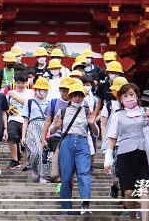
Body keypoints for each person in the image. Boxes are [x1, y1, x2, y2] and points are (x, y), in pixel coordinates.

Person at [104, 82, 149, 221]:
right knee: (128, 192)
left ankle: (145, 219)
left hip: (143, 154)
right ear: (121, 99)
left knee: (144, 189)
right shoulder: (117, 115)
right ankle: (133, 217)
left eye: (131, 94)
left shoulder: (146, 111)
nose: (129, 98)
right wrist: (108, 158)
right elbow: (112, 138)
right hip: (125, 155)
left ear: (137, 96)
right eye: (125, 96)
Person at [50, 81, 99, 215]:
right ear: (70, 96)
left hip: (83, 142)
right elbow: (52, 131)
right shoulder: (63, 111)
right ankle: (66, 208)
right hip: (67, 143)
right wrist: (56, 125)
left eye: (80, 96)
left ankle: (85, 204)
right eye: (75, 95)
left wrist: (92, 123)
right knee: (66, 177)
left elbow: (96, 133)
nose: (78, 98)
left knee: (84, 173)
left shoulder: (87, 111)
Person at [21, 76, 51, 182]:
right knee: (35, 151)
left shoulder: (50, 103)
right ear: (36, 89)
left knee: (43, 152)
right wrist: (23, 136)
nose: (44, 92)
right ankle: (32, 166)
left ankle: (43, 176)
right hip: (33, 126)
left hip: (46, 127)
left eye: (45, 90)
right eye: (42, 89)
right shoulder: (29, 103)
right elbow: (25, 120)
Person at [3, 70, 31, 169]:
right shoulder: (10, 93)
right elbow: (5, 106)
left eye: (22, 83)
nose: (20, 85)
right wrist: (8, 110)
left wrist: (13, 95)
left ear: (27, 83)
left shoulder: (30, 92)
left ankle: (25, 163)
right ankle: (15, 160)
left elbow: (27, 103)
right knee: (11, 136)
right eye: (18, 83)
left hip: (25, 120)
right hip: (13, 118)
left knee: (25, 142)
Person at [94, 60, 125, 140]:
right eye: (111, 72)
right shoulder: (103, 85)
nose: (113, 75)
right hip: (107, 111)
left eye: (116, 73)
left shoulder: (125, 85)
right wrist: (94, 116)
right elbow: (98, 102)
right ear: (107, 73)